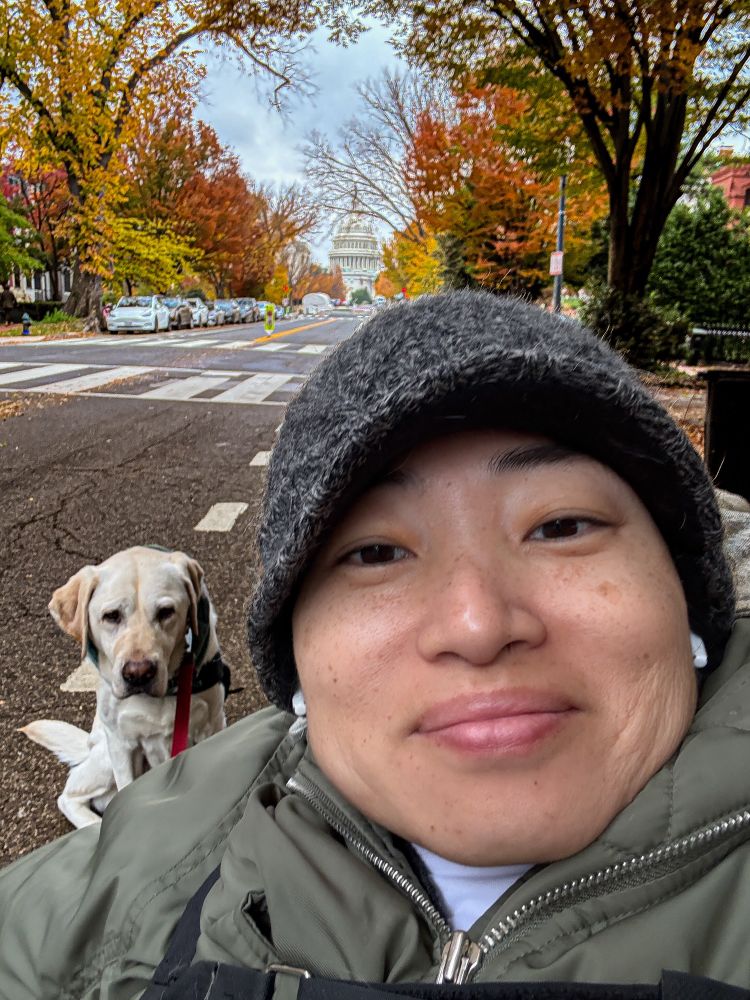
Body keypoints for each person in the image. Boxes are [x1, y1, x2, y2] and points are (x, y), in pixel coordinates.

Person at [1, 291, 750, 1000]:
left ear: (687, 593)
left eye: (560, 527)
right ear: (295, 659)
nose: (478, 625)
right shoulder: (124, 883)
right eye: (376, 553)